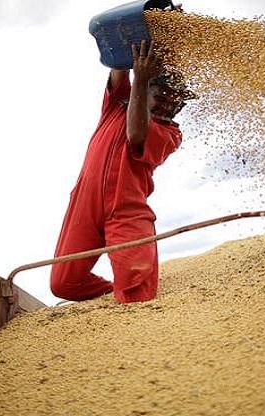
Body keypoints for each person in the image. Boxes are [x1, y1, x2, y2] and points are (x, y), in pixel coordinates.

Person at [50, 39, 195, 304]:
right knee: (63, 284)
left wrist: (141, 79)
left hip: (127, 210)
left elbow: (136, 133)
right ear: (147, 88)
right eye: (162, 96)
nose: (167, 105)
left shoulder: (170, 134)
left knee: (136, 295)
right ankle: (112, 291)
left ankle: (127, 298)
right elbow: (118, 67)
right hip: (84, 203)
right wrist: (137, 36)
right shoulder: (118, 104)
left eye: (174, 103)